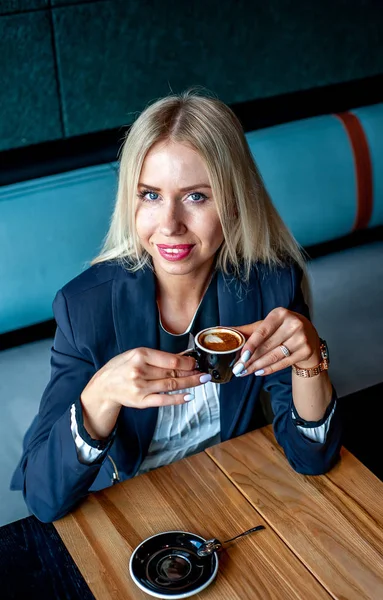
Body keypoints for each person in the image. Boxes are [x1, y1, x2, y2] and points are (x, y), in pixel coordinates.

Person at [12, 90, 342, 523]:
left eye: (196, 197)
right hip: (127, 505)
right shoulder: (82, 307)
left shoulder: (272, 283)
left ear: (235, 201)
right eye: (150, 195)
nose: (169, 225)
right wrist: (101, 394)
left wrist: (311, 358)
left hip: (232, 492)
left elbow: (311, 459)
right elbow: (42, 498)